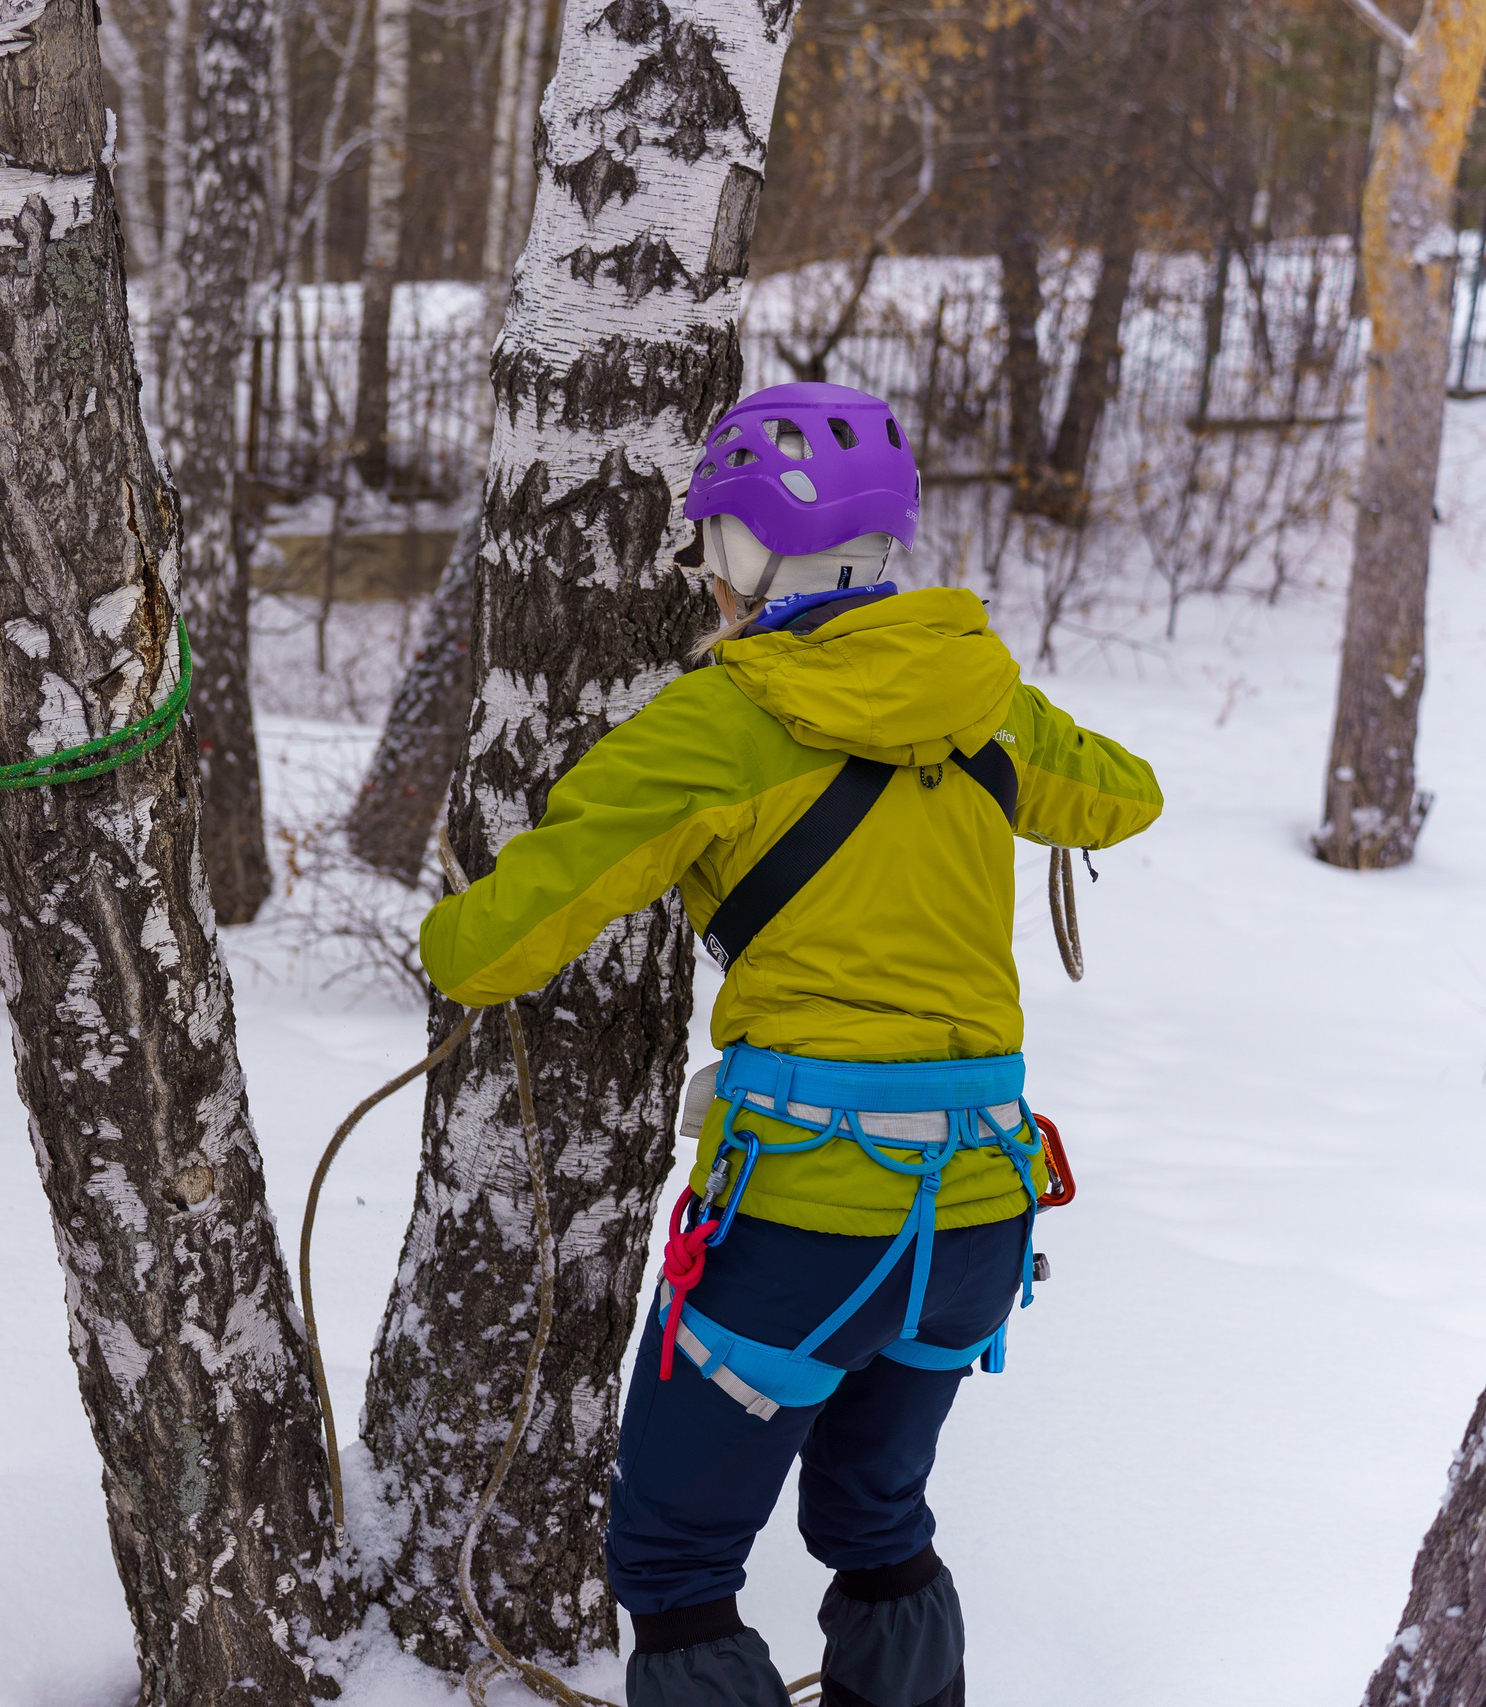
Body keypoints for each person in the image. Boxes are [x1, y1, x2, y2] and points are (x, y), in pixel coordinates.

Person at [417, 383, 1163, 1707]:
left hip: (804, 1219)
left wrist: (445, 937)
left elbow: (492, 947)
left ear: (755, 550)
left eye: (712, 538)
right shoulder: (988, 700)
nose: (703, 567)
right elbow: (1124, 795)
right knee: (878, 1525)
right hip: (979, 1220)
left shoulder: (719, 726)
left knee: (674, 1555)